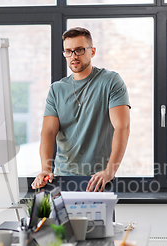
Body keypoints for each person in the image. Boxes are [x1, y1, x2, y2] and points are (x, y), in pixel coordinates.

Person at [32, 27, 130, 192]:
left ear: (92, 52)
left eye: (79, 50)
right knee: (60, 219)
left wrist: (109, 171)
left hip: (98, 178)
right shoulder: (57, 90)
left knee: (99, 220)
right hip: (62, 178)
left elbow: (122, 127)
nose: (73, 56)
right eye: (68, 51)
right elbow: (48, 132)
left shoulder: (111, 81)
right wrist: (45, 169)